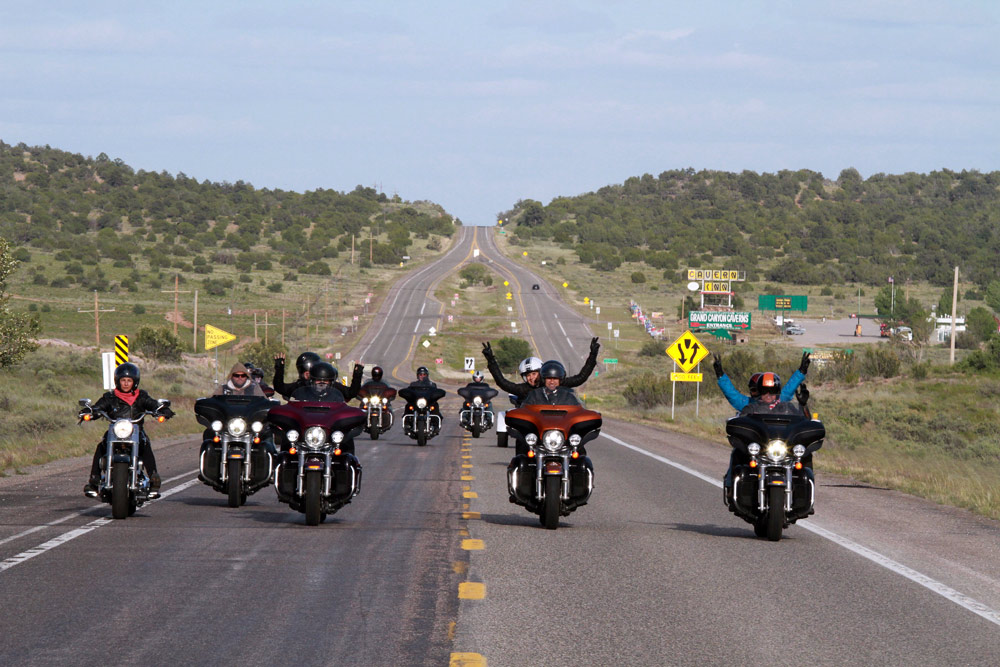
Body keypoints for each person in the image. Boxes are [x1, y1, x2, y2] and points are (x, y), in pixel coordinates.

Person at [82, 363, 175, 496]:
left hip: (136, 431)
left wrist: (162, 410)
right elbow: (99, 407)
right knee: (102, 445)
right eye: (123, 380)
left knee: (145, 443)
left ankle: (154, 478)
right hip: (115, 431)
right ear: (118, 381)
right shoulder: (110, 397)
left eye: (129, 380)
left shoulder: (141, 396)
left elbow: (153, 404)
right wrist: (91, 412)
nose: (126, 383)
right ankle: (94, 479)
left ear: (135, 382)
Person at [482, 336, 600, 402]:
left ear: (542, 373)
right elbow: (503, 383)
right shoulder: (524, 389)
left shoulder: (554, 382)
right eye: (527, 375)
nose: (531, 378)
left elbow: (581, 378)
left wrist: (593, 355)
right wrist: (491, 361)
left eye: (534, 373)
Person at [712, 351, 810, 412]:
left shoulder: (781, 400)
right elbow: (732, 395)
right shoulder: (748, 405)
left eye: (772, 390)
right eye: (764, 390)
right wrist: (720, 375)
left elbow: (790, 387)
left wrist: (801, 371)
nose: (768, 394)